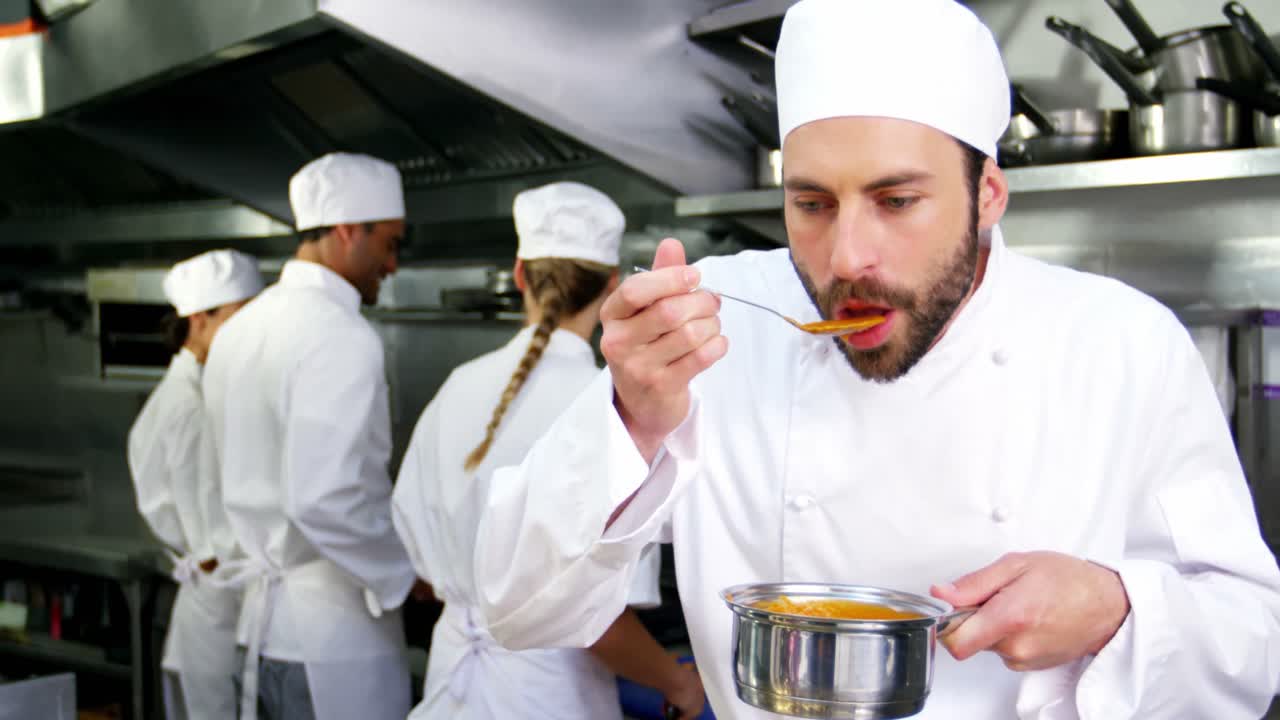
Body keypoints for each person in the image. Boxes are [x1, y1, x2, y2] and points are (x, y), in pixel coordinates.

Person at [472, 1, 1280, 718]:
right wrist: (632, 423)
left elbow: (1253, 640)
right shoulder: (711, 322)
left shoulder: (1121, 344)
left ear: (989, 195)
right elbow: (519, 611)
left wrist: (1118, 609)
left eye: (897, 201)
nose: (848, 257)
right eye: (811, 204)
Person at [391, 182, 706, 719]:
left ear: (519, 275)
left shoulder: (458, 385)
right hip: (548, 696)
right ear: (612, 285)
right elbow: (600, 624)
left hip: (452, 678)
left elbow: (419, 563)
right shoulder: (610, 408)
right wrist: (677, 684)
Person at [202, 152, 421, 720]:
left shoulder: (240, 328)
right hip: (332, 641)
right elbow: (322, 497)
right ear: (349, 230)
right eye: (390, 244)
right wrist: (409, 572)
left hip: (259, 630)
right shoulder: (341, 335)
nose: (392, 265)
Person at [127, 249, 262, 719]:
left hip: (209, 604)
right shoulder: (189, 404)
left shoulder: (192, 391)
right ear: (201, 319)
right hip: (216, 608)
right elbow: (206, 522)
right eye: (239, 317)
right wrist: (221, 559)